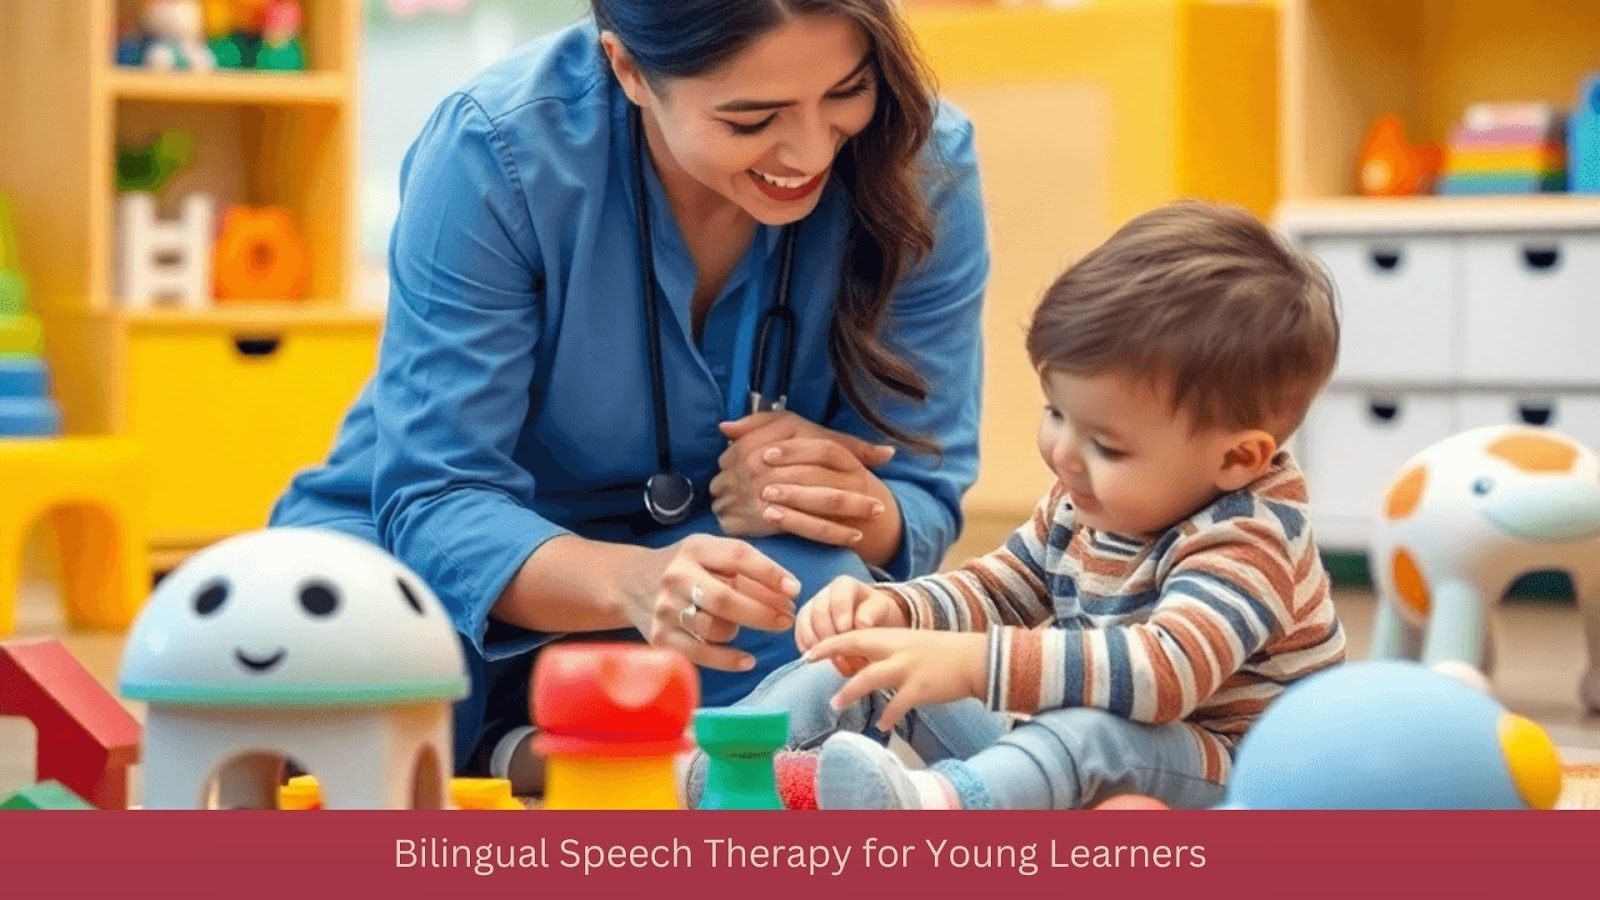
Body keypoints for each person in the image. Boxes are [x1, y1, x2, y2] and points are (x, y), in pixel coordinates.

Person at [269, 0, 988, 789]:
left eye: (846, 92)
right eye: (753, 118)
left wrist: (852, 504)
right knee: (341, 646)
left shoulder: (924, 162)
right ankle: (544, 753)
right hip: (440, 563)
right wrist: (634, 583)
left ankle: (530, 754)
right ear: (628, 69)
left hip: (707, 593)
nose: (811, 149)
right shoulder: (494, 146)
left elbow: (921, 487)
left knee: (822, 605)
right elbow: (438, 494)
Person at [705, 200, 1346, 810]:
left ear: (1237, 459)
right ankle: (733, 767)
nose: (1064, 453)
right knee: (884, 653)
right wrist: (894, 608)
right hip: (1065, 757)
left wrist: (977, 664)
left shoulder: (1252, 536)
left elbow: (1165, 670)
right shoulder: (1085, 498)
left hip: (1222, 772)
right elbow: (999, 588)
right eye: (1055, 412)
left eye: (1106, 445)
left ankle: (939, 805)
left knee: (1090, 730)